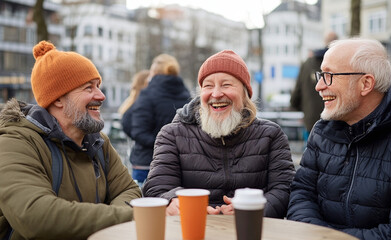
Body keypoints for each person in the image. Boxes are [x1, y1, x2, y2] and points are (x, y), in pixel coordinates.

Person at [287, 38, 391, 240]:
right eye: (321, 75)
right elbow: (300, 197)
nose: (318, 86)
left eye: (329, 75)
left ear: (366, 84)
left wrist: (325, 237)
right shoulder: (321, 130)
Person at [0, 41, 142, 240]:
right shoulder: (15, 143)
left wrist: (112, 227)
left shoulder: (98, 142)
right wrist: (135, 217)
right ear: (58, 99)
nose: (101, 96)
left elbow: (128, 190)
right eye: (88, 88)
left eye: (98, 86)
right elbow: (36, 217)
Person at [143, 50, 296, 219]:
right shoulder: (172, 134)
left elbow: (285, 189)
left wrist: (252, 209)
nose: (216, 94)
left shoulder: (270, 135)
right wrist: (175, 202)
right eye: (208, 86)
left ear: (245, 93)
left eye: (226, 85)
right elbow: (157, 187)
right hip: (192, 228)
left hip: (251, 230)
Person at [123, 54, 191, 186]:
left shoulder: (148, 94)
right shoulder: (186, 95)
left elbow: (138, 132)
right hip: (179, 162)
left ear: (153, 73)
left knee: (146, 203)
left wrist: (162, 144)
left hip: (147, 162)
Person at [290, 31, 338, 134]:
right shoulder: (340, 63)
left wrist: (306, 110)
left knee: (311, 148)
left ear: (324, 42)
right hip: (336, 122)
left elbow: (296, 96)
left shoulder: (307, 64)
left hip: (311, 122)